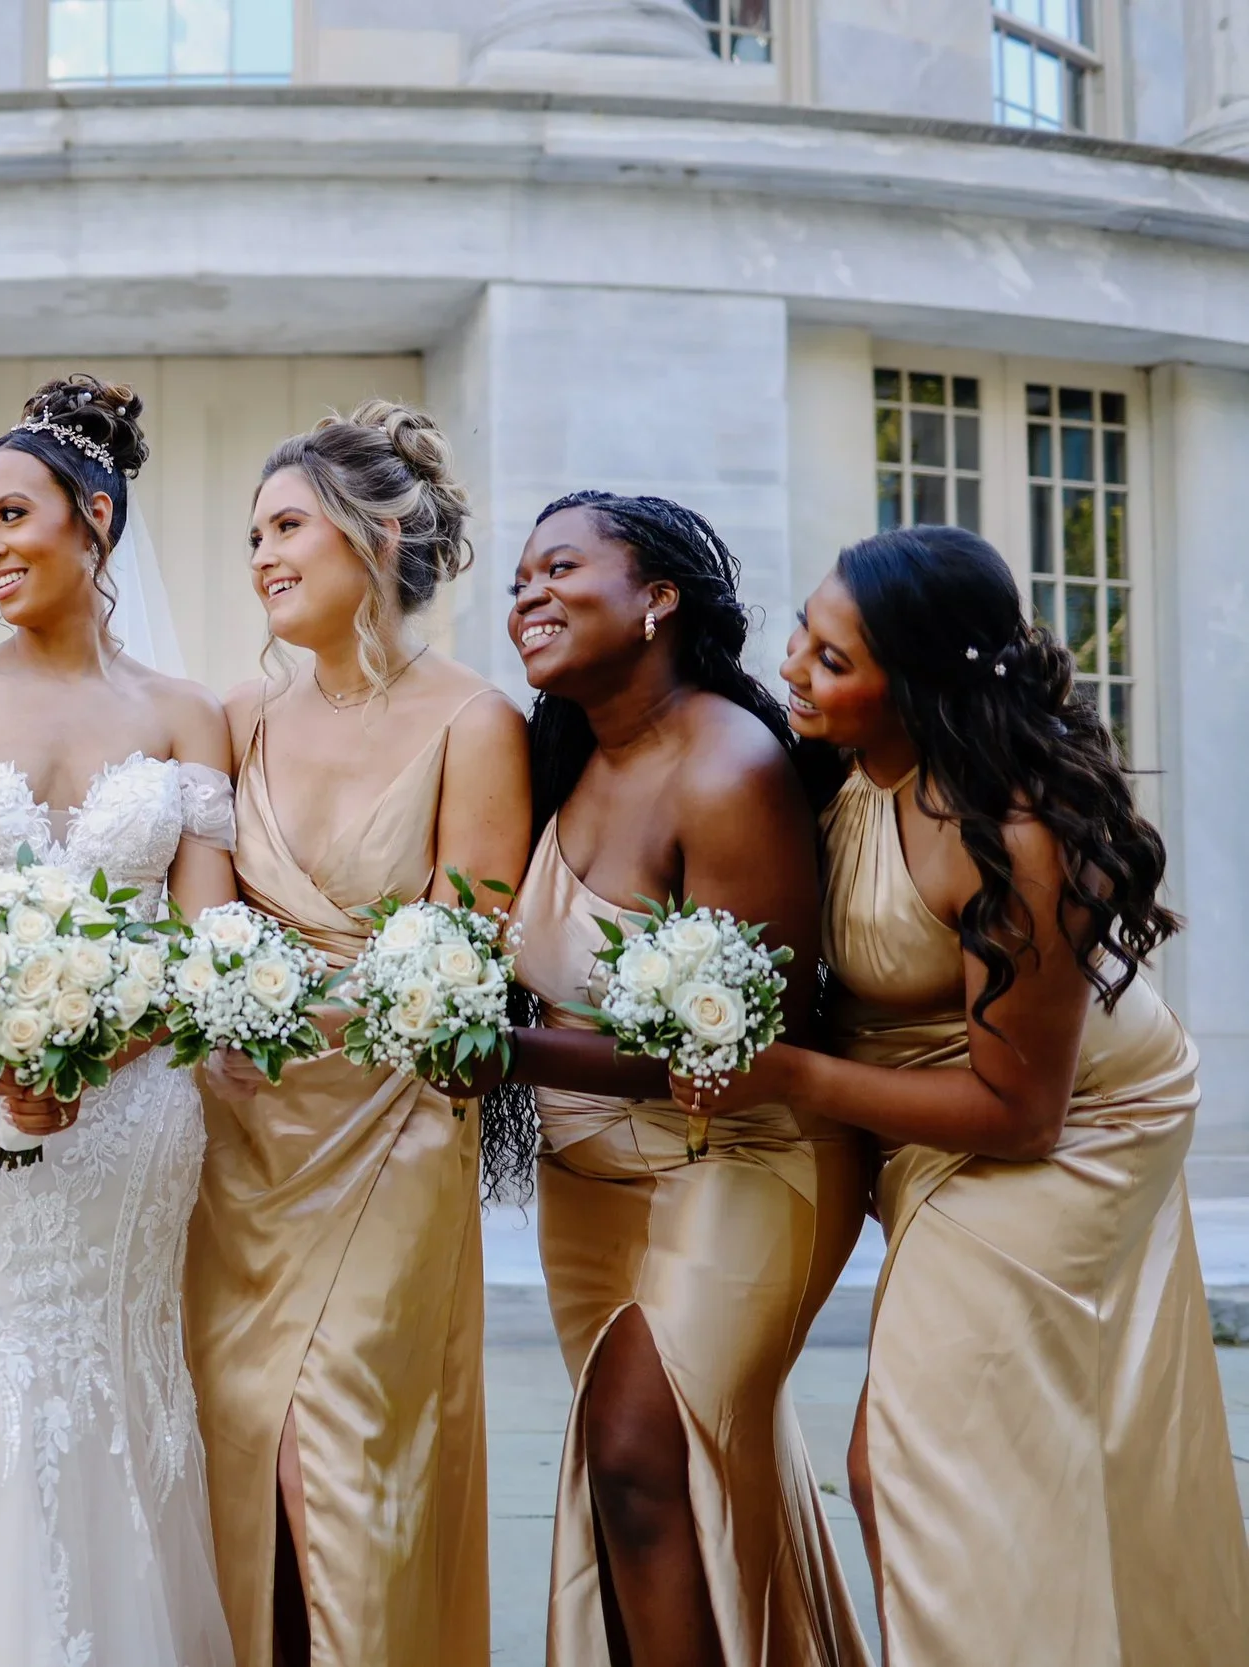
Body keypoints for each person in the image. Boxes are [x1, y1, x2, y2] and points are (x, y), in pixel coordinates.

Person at [684, 525, 1249, 1662]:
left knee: (905, 1455)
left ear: (922, 684)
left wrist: (786, 1073)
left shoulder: (1019, 833)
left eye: (834, 660)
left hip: (1072, 1125)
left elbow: (1020, 1113)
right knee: (975, 1449)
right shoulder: (833, 767)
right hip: (926, 1103)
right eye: (805, 630)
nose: (795, 667)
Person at [0, 375, 238, 1667]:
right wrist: (0, 1054)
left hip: (133, 1115)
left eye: (10, 513)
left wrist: (88, 1055)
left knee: (121, 1398)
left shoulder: (189, 713)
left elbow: (202, 945)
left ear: (96, 517)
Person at [499, 492, 867, 1666]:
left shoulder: (729, 766)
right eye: (516, 581)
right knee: (653, 1485)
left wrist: (486, 1048)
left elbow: (739, 1058)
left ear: (657, 596)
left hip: (740, 1162)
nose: (528, 596)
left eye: (560, 567)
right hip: (589, 1188)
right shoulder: (561, 759)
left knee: (639, 1454)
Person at [187, 404, 528, 1667]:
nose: (263, 555)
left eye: (286, 525)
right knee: (232, 1438)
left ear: (377, 533)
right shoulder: (238, 718)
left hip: (390, 1129)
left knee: (335, 1452)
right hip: (238, 1134)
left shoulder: (473, 721)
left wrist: (291, 1001)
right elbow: (198, 918)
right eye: (253, 535)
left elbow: (462, 951)